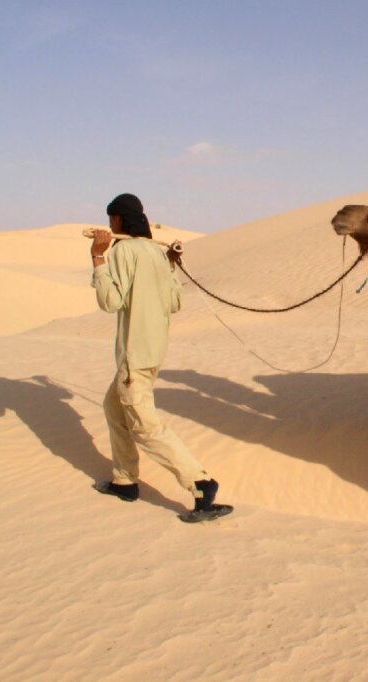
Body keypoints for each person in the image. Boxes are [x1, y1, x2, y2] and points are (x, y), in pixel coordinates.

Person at [90, 193, 232, 522]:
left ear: (120, 220)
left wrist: (99, 259)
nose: (110, 224)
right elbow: (174, 303)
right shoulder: (156, 253)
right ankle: (124, 480)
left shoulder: (122, 250)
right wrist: (168, 265)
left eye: (112, 219)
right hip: (152, 354)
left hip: (134, 358)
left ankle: (200, 483)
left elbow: (111, 301)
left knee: (146, 427)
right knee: (114, 408)